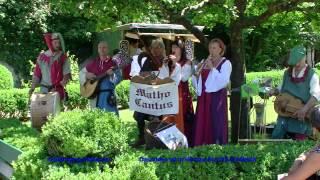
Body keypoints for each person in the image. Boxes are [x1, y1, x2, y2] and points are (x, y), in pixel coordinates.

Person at [130, 38, 181, 147]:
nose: (156, 50)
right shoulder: (147, 61)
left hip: (161, 97)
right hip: (148, 96)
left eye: (158, 47)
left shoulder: (167, 61)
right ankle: (142, 137)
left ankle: (156, 140)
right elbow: (142, 76)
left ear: (162, 48)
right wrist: (147, 77)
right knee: (139, 115)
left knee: (156, 118)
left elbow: (169, 78)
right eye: (154, 47)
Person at [271, 45, 320, 140]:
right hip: (284, 115)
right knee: (276, 140)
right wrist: (273, 91)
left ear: (304, 58)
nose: (296, 64)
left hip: (301, 116)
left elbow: (316, 95)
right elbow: (280, 89)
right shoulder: (287, 73)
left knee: (299, 143)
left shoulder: (312, 75)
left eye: (299, 61)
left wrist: (304, 109)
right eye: (294, 62)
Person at [192, 38, 232, 146]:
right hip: (203, 98)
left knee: (216, 121)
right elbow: (197, 81)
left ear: (220, 49)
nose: (211, 50)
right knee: (203, 121)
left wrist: (212, 68)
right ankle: (202, 145)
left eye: (214, 48)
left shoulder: (226, 63)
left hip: (217, 97)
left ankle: (217, 145)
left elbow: (224, 81)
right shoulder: (204, 62)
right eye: (210, 47)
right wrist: (197, 74)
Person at [79, 41, 122, 115]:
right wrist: (86, 75)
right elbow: (80, 74)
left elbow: (118, 79)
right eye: (100, 47)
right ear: (98, 50)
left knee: (111, 118)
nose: (102, 49)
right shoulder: (93, 63)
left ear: (108, 49)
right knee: (97, 119)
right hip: (95, 96)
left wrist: (112, 75)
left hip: (108, 96)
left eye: (104, 47)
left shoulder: (113, 63)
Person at [29, 33, 71, 101]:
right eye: (55, 42)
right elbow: (37, 74)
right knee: (43, 110)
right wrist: (32, 88)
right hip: (44, 91)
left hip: (57, 91)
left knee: (56, 111)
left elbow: (66, 74)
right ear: (50, 42)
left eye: (59, 43)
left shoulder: (63, 57)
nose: (58, 45)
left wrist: (62, 83)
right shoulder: (42, 57)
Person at [168, 39, 194, 146]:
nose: (174, 49)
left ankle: (185, 141)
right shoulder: (169, 61)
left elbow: (183, 78)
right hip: (170, 94)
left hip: (182, 94)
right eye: (173, 47)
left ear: (181, 49)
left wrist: (182, 63)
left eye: (176, 47)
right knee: (171, 116)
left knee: (183, 117)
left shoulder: (186, 62)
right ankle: (172, 141)